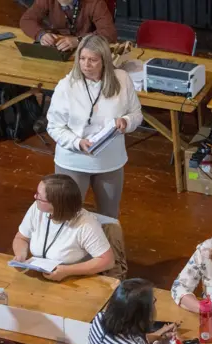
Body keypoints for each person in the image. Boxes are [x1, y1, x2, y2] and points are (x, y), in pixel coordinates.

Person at [47, 34, 142, 218]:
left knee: (109, 217)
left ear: (104, 61)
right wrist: (77, 142)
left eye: (92, 60)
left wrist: (126, 122)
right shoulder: (66, 86)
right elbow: (54, 127)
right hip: (73, 160)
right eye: (82, 59)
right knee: (68, 216)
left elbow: (136, 114)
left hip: (109, 162)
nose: (86, 65)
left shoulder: (122, 79)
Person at [12, 173, 115, 281]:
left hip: (74, 281)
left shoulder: (86, 224)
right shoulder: (37, 208)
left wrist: (67, 271)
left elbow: (107, 261)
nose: (35, 197)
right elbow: (21, 238)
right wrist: (20, 255)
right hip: (39, 277)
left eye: (40, 197)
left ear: (56, 204)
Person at [20, 0, 117, 52]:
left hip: (89, 50)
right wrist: (41, 35)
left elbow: (109, 33)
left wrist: (79, 40)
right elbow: (27, 20)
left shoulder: (95, 3)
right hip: (59, 48)